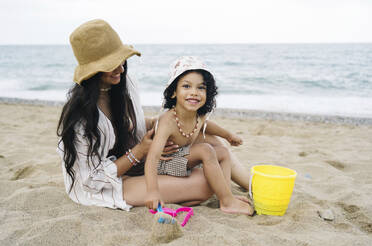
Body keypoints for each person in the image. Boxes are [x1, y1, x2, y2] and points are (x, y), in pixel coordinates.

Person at [57, 19, 251, 212]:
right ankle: (215, 196)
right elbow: (91, 180)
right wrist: (140, 151)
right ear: (92, 71)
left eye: (121, 61)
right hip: (112, 181)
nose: (121, 69)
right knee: (207, 183)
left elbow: (132, 123)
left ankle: (252, 186)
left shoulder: (123, 83)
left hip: (139, 156)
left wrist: (162, 127)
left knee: (213, 141)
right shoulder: (81, 120)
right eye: (111, 64)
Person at [144, 56, 254, 215]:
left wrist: (228, 135)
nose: (194, 93)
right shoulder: (168, 121)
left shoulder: (198, 115)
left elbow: (207, 125)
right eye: (186, 86)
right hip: (165, 164)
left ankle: (225, 194)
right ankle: (227, 202)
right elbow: (152, 158)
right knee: (205, 150)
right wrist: (152, 191)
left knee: (223, 152)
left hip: (183, 158)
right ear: (174, 92)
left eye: (201, 88)